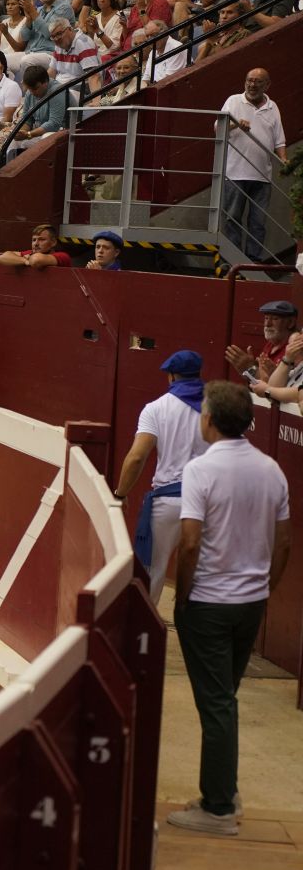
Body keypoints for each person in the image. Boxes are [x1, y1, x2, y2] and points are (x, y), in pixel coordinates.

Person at [166, 382, 290, 837]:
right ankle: (224, 790)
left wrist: (182, 596)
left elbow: (192, 540)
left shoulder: (200, 470)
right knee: (225, 700)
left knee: (216, 704)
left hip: (209, 603)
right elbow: (285, 543)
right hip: (250, 603)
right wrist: (265, 588)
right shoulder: (272, 469)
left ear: (210, 420)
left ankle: (217, 807)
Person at [114, 350, 209, 600]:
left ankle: (143, 632)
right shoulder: (218, 407)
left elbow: (137, 457)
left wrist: (121, 493)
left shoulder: (156, 409)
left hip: (168, 501)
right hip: (208, 502)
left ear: (171, 376)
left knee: (151, 572)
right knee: (204, 576)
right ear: (198, 374)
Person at [220, 68, 286, 263]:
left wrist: (284, 159)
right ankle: (231, 259)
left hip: (262, 176)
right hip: (235, 173)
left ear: (267, 85)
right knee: (232, 218)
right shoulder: (233, 101)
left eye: (258, 81)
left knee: (258, 223)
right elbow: (218, 128)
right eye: (249, 80)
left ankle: (253, 260)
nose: (252, 85)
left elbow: (279, 141)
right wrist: (235, 124)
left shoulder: (272, 107)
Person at [0, 223, 73, 268]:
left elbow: (36, 260)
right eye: (34, 240)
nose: (36, 244)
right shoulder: (30, 253)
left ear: (53, 242)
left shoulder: (62, 256)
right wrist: (25, 261)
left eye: (41, 239)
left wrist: (20, 259)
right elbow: (1, 258)